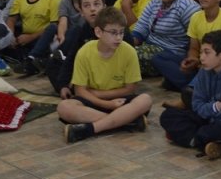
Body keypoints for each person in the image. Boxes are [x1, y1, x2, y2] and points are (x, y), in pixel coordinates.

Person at [58, 7, 152, 143]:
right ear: (98, 32)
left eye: (121, 32)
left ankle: (91, 129)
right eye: (113, 33)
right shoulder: (85, 52)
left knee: (145, 99)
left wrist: (99, 94)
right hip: (94, 102)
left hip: (120, 101)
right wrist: (107, 105)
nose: (119, 38)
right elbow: (79, 91)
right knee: (64, 107)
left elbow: (130, 89)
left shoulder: (129, 51)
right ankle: (126, 121)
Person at [160, 30, 221, 158]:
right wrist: (214, 107)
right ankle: (203, 142)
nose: (201, 57)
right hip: (212, 117)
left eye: (207, 52)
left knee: (210, 131)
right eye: (201, 52)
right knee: (168, 115)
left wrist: (206, 111)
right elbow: (196, 103)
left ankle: (194, 138)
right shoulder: (206, 70)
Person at [131, 0, 201, 80]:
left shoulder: (187, 7)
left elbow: (196, 36)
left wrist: (191, 57)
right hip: (149, 45)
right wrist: (130, 43)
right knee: (122, 51)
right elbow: (142, 25)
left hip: (171, 52)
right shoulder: (155, 1)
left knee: (131, 57)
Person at [6, 0, 61, 69]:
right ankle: (32, 59)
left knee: (52, 29)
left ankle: (31, 58)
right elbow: (11, 20)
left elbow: (55, 26)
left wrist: (30, 37)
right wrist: (10, 36)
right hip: (23, 37)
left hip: (43, 38)